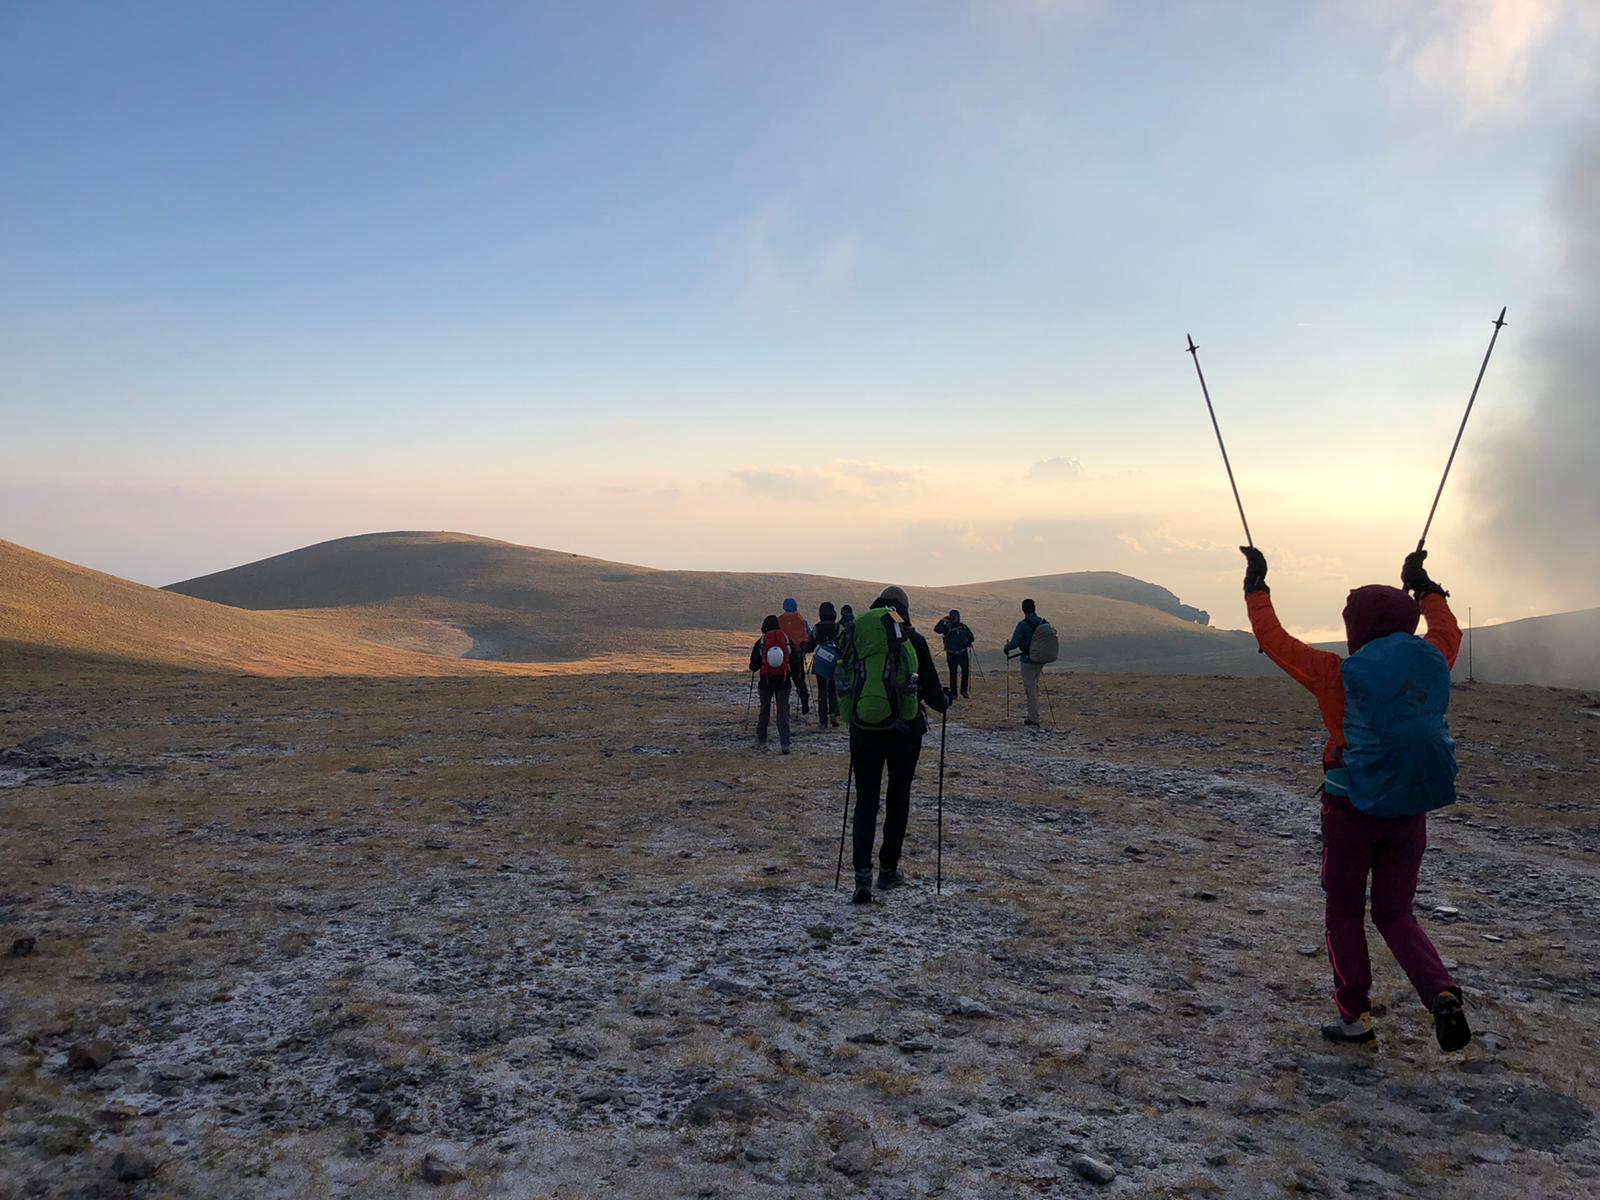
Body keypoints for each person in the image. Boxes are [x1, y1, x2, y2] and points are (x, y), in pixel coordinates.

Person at [1241, 545, 1470, 1054]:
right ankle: (1440, 992)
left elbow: (1274, 642)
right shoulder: (1435, 659)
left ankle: (1355, 1019)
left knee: (1344, 913)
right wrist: (1426, 586)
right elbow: (1447, 628)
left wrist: (1256, 587)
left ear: (1356, 628)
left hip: (1350, 808)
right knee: (1396, 913)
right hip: (1409, 807)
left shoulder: (1336, 673)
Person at [840, 586, 950, 904]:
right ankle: (888, 870)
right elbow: (933, 696)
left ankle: (862, 876)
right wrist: (945, 699)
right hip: (905, 732)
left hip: (863, 729)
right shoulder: (912, 640)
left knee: (866, 801)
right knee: (898, 797)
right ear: (904, 609)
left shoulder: (859, 635)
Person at [748, 615, 794, 754]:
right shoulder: (786, 639)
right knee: (782, 713)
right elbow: (795, 658)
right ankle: (785, 743)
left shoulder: (761, 641)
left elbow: (753, 666)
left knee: (764, 710)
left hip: (766, 680)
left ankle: (761, 737)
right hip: (784, 680)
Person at [1002, 598, 1046, 726]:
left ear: (1023, 609)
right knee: (1034, 687)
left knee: (1030, 689)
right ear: (1034, 608)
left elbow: (1015, 643)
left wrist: (1006, 648)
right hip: (1040, 659)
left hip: (1027, 660)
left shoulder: (1023, 625)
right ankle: (1034, 714)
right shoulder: (1042, 622)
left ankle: (1033, 718)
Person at [777, 598, 813, 717]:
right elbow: (808, 634)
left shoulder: (779, 620)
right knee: (799, 679)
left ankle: (784, 707)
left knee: (783, 680)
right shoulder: (802, 619)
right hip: (797, 653)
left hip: (783, 654)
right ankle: (803, 698)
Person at [933, 608, 976, 700]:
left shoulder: (962, 627)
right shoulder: (947, 627)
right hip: (953, 654)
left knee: (964, 672)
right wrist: (942, 621)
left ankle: (962, 691)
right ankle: (955, 693)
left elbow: (971, 637)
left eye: (955, 617)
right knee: (953, 674)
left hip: (960, 653)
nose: (954, 618)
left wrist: (968, 642)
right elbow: (936, 630)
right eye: (953, 617)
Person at [812, 601, 841, 728]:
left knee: (822, 691)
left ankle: (823, 720)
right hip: (835, 661)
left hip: (820, 662)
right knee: (833, 689)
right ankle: (834, 715)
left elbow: (810, 643)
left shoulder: (816, 628)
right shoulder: (838, 627)